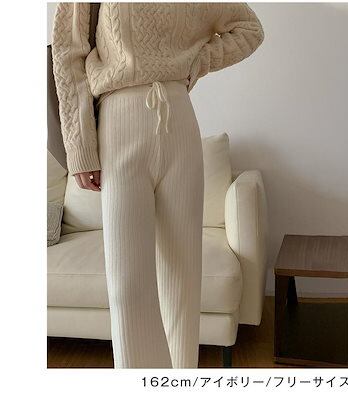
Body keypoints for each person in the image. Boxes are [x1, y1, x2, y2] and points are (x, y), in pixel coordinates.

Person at [51, 2, 264, 368]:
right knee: (126, 285)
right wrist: (80, 147)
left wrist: (197, 62)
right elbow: (68, 55)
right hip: (119, 123)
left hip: (178, 118)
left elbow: (249, 29)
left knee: (183, 276)